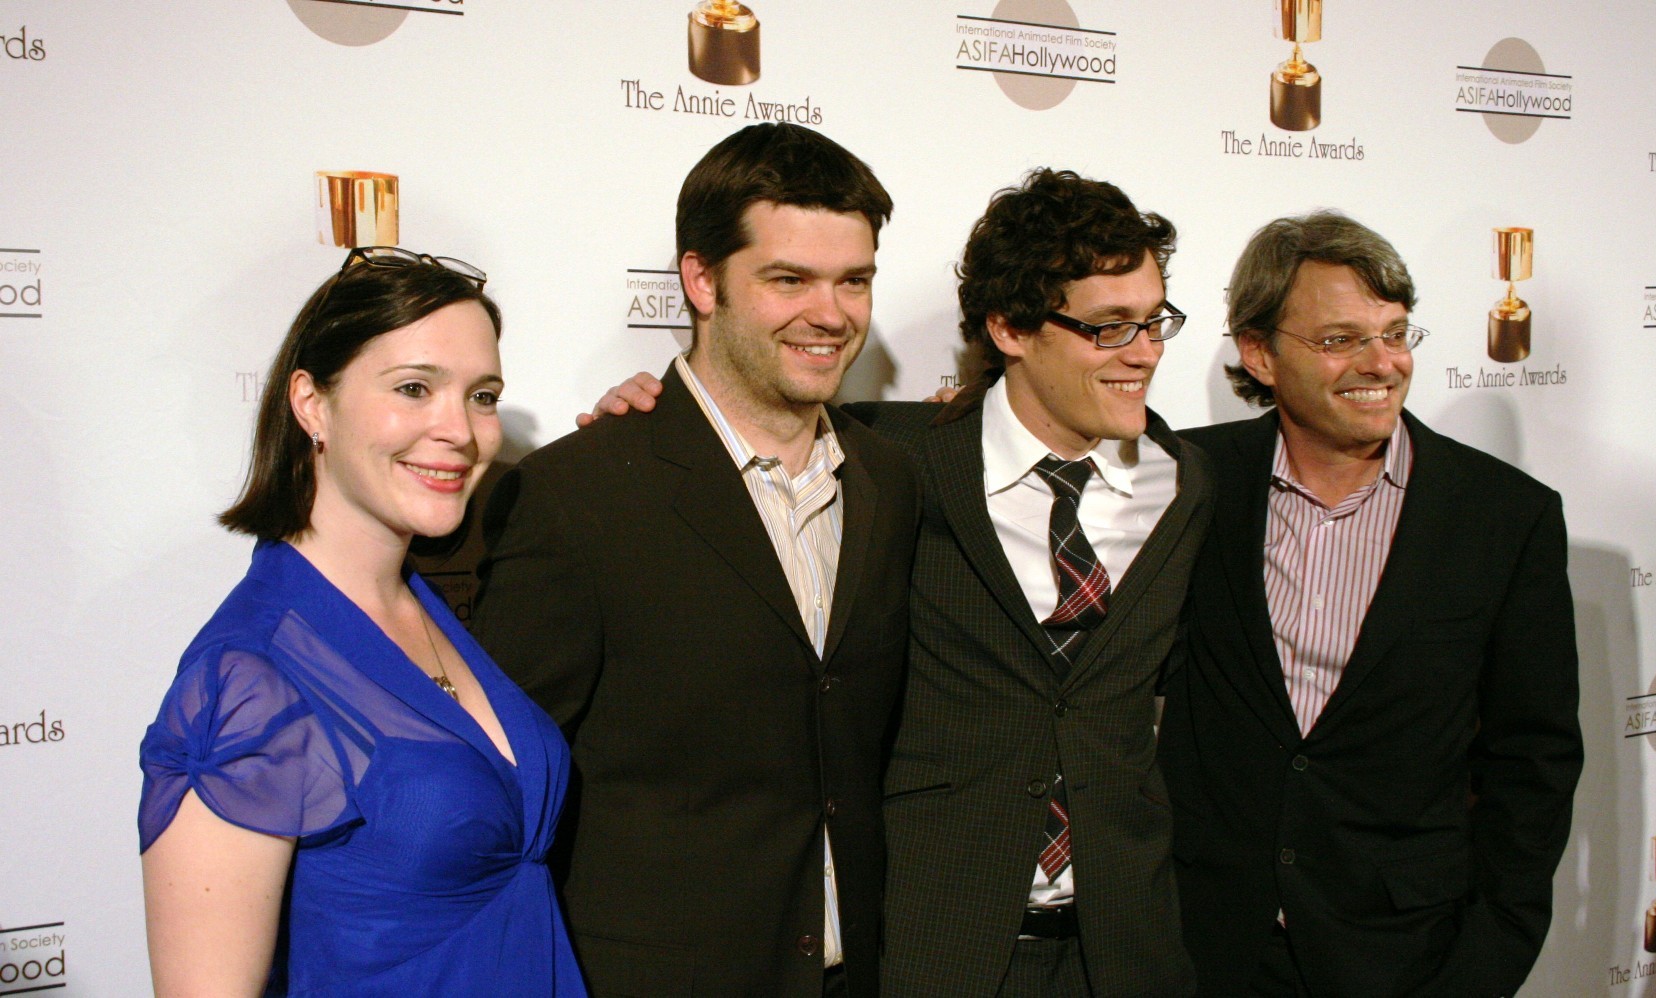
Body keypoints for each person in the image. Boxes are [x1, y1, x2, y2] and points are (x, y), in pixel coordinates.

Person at [585, 168, 1211, 996]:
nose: (1145, 352)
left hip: (1127, 947)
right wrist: (641, 417)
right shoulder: (883, 462)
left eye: (1152, 321)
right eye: (1108, 328)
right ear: (1010, 327)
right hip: (935, 939)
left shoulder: (1189, 482)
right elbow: (730, 448)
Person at [471, 122, 919, 996]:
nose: (829, 315)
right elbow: (505, 789)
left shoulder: (890, 479)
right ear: (701, 280)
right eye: (787, 280)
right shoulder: (579, 494)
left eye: (853, 281)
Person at [138, 248, 586, 996]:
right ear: (312, 403)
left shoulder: (430, 604)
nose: (460, 431)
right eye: (414, 388)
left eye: (482, 396)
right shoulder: (250, 675)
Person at [1159, 211, 1582, 997]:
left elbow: (1533, 761)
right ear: (1259, 352)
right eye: (1338, 339)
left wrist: (1487, 960)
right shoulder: (1186, 483)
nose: (1381, 363)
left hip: (1403, 955)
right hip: (1206, 946)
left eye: (1394, 333)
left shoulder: (1501, 516)